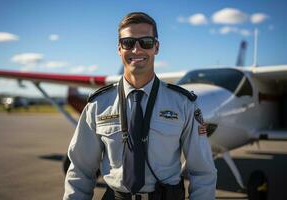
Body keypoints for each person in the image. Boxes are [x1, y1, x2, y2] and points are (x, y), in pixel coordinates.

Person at [63, 12, 217, 200]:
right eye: (128, 42)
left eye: (146, 42)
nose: (136, 50)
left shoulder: (183, 103)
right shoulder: (97, 105)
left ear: (156, 47)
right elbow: (80, 170)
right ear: (119, 48)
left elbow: (202, 172)